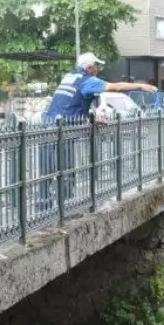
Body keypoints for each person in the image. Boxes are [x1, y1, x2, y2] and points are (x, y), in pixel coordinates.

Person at [39, 52, 158, 210]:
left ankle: (44, 207)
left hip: (50, 124)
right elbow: (116, 87)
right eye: (96, 66)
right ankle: (65, 207)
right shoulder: (87, 81)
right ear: (89, 68)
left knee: (47, 169)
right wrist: (140, 86)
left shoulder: (69, 77)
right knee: (66, 169)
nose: (97, 69)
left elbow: (70, 103)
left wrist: (90, 119)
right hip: (63, 130)